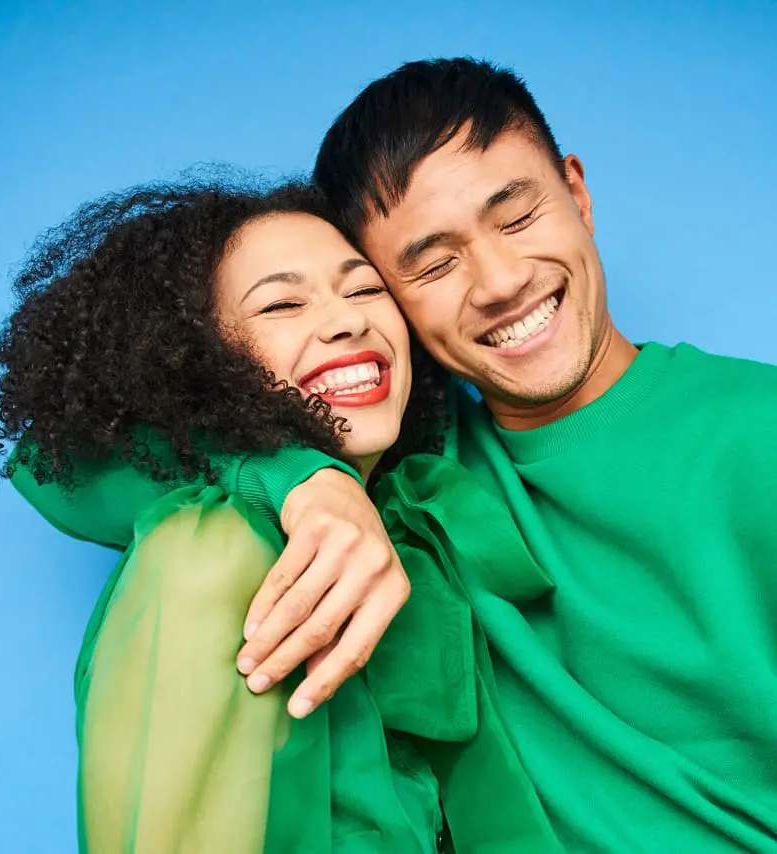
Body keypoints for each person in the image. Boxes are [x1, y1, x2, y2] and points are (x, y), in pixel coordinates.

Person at [228, 58, 777, 852]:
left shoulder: (754, 432)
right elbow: (56, 467)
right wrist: (309, 485)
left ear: (577, 194)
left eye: (517, 218)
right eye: (433, 263)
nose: (501, 280)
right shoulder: (407, 471)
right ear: (387, 300)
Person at [0, 178, 565, 852]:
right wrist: (294, 478)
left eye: (366, 289)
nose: (347, 320)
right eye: (282, 303)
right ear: (199, 361)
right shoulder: (211, 550)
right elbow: (50, 469)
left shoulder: (426, 514)